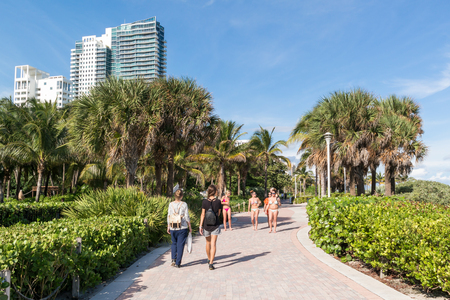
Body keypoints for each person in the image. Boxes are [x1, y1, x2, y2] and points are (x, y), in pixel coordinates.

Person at [199, 184, 222, 270]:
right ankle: (211, 263)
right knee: (213, 244)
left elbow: (202, 214)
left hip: (206, 225)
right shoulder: (218, 202)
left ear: (208, 192)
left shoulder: (204, 202)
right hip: (215, 225)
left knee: (208, 243)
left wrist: (200, 226)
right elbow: (219, 214)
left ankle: (209, 259)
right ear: (215, 192)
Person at [167, 189, 192, 268]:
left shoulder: (171, 204)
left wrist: (168, 226)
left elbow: (169, 216)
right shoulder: (184, 204)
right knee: (180, 245)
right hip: (182, 227)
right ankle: (178, 263)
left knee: (174, 243)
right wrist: (190, 226)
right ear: (181, 196)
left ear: (175, 196)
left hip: (173, 227)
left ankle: (173, 259)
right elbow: (186, 216)